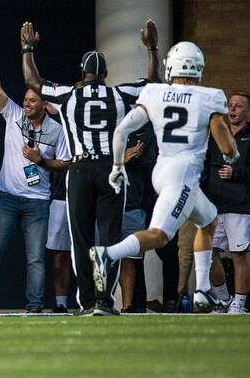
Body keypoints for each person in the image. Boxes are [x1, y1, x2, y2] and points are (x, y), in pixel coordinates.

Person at [21, 19, 161, 316]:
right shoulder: (120, 94)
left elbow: (34, 82)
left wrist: (28, 48)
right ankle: (104, 301)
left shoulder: (69, 95)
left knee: (82, 238)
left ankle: (87, 302)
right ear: (106, 74)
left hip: (81, 170)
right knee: (111, 238)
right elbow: (155, 85)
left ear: (81, 74)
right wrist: (152, 48)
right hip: (111, 169)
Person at [90, 41, 240, 314]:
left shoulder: (156, 93)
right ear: (200, 68)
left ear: (171, 67)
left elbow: (122, 131)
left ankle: (204, 291)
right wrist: (232, 153)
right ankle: (107, 255)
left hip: (164, 169)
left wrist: (117, 166)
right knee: (159, 236)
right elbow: (227, 146)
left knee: (208, 221)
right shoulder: (209, 97)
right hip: (182, 174)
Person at [0, 52, 70, 314]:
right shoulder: (14, 115)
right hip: (6, 195)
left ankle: (35, 306)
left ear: (44, 104)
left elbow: (65, 163)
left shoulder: (56, 130)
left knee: (36, 259)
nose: (27, 103)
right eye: (26, 99)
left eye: (32, 100)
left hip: (38, 201)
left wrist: (40, 161)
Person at [206, 90, 250, 314]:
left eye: (238, 106)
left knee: (238, 254)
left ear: (248, 112)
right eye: (231, 105)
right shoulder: (216, 134)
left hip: (240, 206)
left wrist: (236, 174)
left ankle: (239, 304)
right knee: (207, 252)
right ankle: (223, 299)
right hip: (214, 206)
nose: (232, 109)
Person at [118, 124, 157, 313]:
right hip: (106, 205)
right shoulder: (105, 130)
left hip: (133, 204)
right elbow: (94, 164)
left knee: (130, 258)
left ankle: (128, 306)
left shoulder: (145, 134)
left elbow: (153, 166)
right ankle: (101, 303)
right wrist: (122, 158)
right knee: (102, 257)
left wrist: (136, 158)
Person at [44, 103, 72, 313]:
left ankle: (94, 299)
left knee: (91, 252)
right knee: (60, 254)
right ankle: (61, 303)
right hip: (61, 196)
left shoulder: (93, 125)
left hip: (91, 195)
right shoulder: (53, 128)